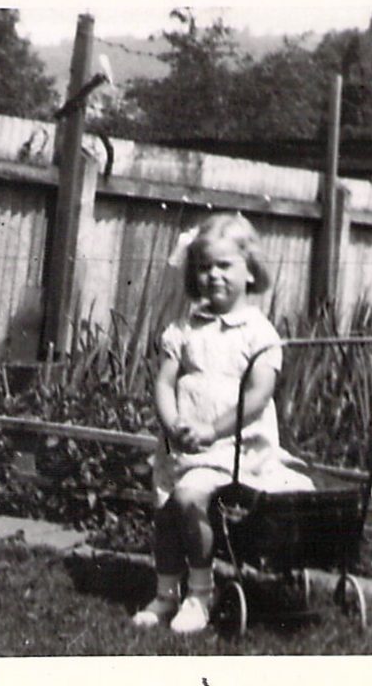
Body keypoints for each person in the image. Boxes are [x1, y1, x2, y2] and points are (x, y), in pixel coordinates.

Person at [132, 212, 314, 634]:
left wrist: (213, 430)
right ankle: (164, 594)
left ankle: (200, 593)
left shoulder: (258, 333)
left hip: (235, 448)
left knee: (190, 502)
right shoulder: (185, 327)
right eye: (204, 267)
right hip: (184, 444)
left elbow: (257, 396)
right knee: (166, 515)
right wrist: (173, 421)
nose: (213, 275)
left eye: (224, 265)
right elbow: (164, 381)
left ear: (250, 270)